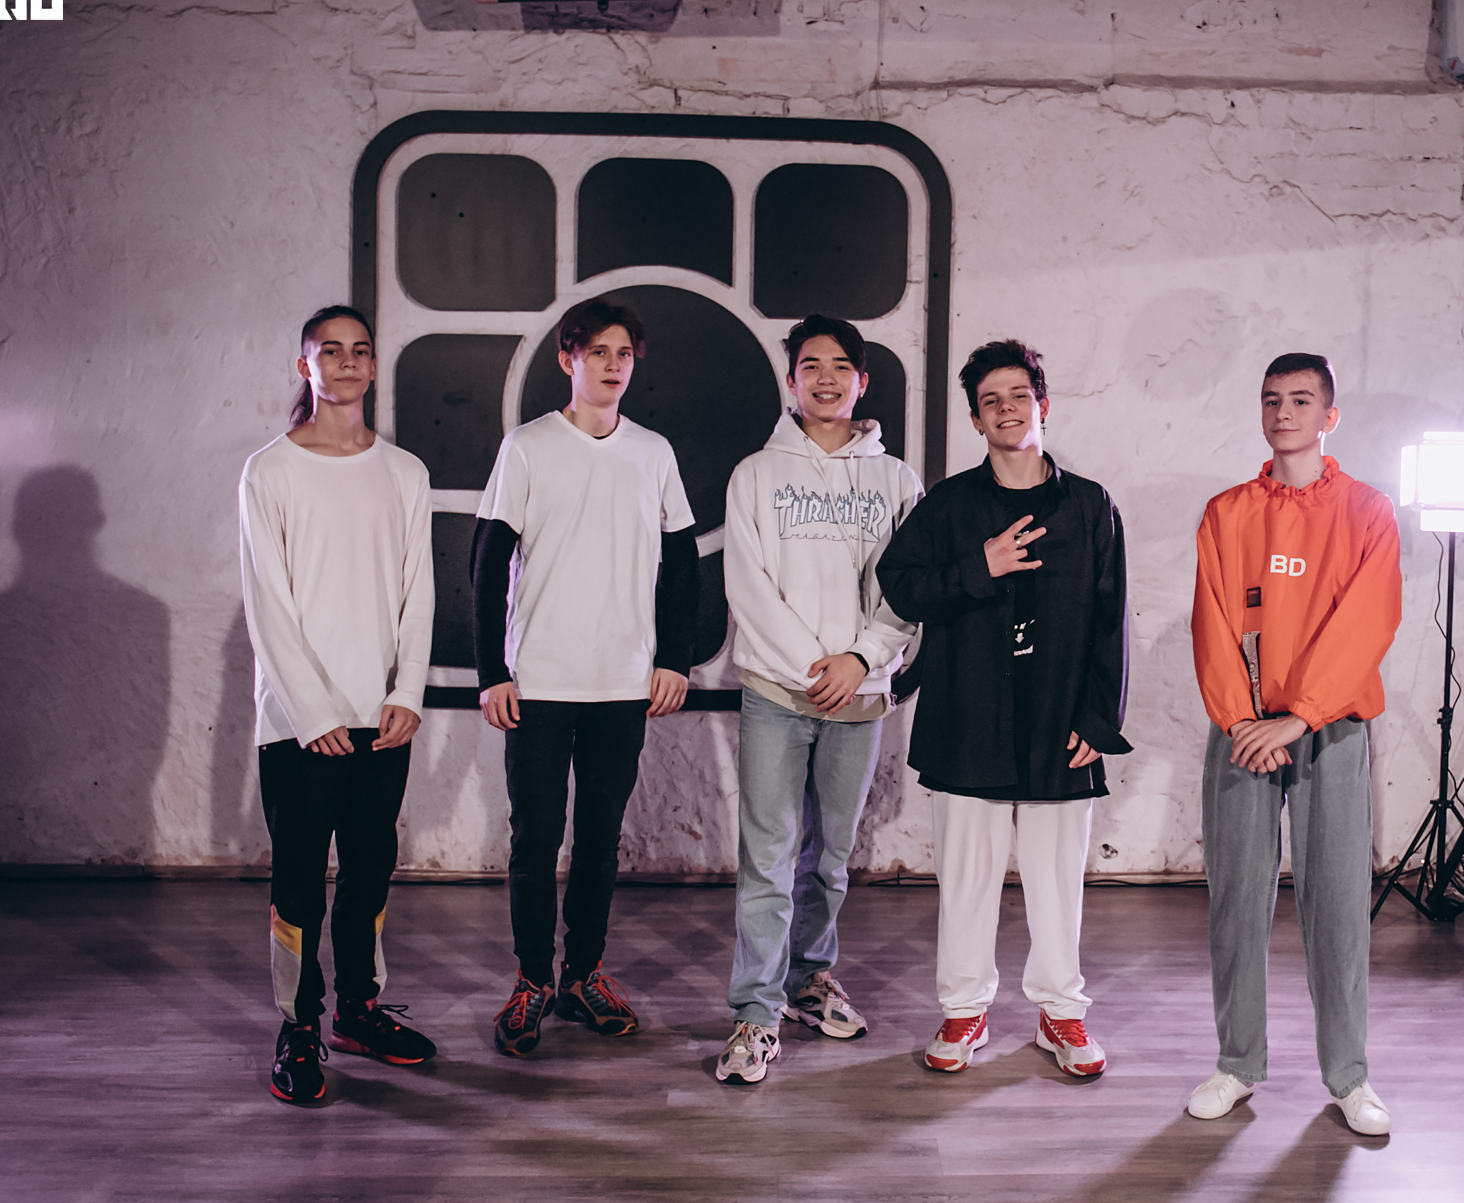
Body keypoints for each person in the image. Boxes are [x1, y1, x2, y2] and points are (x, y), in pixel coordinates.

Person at [877, 339, 1131, 1079]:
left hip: (1061, 721)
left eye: (1019, 395)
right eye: (991, 400)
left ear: (1043, 404)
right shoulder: (949, 505)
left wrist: (1099, 720)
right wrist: (977, 567)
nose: (1007, 409)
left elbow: (1111, 619)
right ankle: (964, 1009)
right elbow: (900, 585)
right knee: (965, 878)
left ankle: (1061, 1010)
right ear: (975, 418)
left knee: (1057, 881)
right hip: (967, 717)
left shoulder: (1090, 505)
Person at [471, 296, 698, 1056]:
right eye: (596, 351)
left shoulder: (653, 453)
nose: (611, 364)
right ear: (568, 359)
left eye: (623, 353)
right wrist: (492, 670)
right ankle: (531, 981)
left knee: (601, 840)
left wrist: (673, 659)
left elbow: (682, 567)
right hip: (538, 680)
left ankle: (583, 975)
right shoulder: (528, 447)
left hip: (622, 683)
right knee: (535, 841)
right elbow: (486, 563)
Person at [1186, 352, 1402, 1136]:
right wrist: (1243, 719)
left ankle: (1349, 1076)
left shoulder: (1367, 511)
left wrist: (1300, 716)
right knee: (1237, 900)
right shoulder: (1227, 513)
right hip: (1244, 733)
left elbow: (1367, 623)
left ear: (1330, 416)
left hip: (1329, 729)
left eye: (1302, 400)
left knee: (1337, 904)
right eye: (1272, 399)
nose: (1284, 412)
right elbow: (1212, 622)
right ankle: (1237, 1062)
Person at [711, 315, 923, 1084]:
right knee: (767, 857)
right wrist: (814, 666)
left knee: (830, 857)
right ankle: (755, 1012)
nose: (825, 378)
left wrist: (860, 659)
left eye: (841, 366)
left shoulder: (896, 480)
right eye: (810, 365)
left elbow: (909, 591)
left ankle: (809, 978)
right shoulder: (755, 474)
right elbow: (748, 588)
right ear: (790, 379)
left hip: (859, 697)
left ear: (862, 381)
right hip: (778, 691)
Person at [238, 305, 438, 1105]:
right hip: (298, 725)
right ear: (306, 366)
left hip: (382, 717)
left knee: (369, 872)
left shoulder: (405, 472)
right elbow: (267, 605)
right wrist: (314, 712)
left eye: (360, 350)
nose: (347, 362)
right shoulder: (270, 471)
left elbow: (419, 593)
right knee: (298, 883)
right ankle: (297, 1026)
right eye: (331, 350)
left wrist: (407, 692)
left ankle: (358, 1009)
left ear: (373, 365)